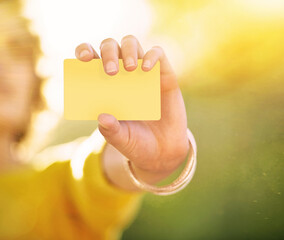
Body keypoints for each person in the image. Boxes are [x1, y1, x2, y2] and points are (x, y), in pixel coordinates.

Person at [0, 0, 195, 239]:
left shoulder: (61, 187)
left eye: (17, 49)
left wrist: (148, 157)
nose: (3, 63)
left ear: (35, 79)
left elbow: (102, 170)